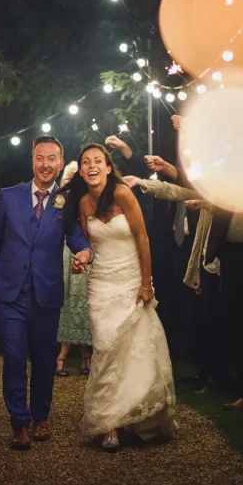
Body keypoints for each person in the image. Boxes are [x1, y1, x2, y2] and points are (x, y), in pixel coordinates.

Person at [0, 136, 92, 450]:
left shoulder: (66, 201)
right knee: (13, 358)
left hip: (46, 294)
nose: (45, 164)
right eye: (40, 158)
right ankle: (19, 424)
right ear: (32, 161)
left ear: (61, 163)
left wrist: (85, 253)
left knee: (43, 359)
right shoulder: (9, 197)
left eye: (52, 158)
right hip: (9, 293)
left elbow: (76, 238)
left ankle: (41, 417)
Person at [64, 143, 178, 451]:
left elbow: (142, 237)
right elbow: (86, 245)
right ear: (81, 169)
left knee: (134, 350)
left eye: (97, 160)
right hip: (100, 284)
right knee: (105, 347)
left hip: (130, 282)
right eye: (85, 161)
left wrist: (145, 283)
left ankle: (137, 415)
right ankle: (108, 425)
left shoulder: (123, 194)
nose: (91, 165)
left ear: (107, 167)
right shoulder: (83, 203)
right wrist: (81, 260)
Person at [55, 162, 92, 377]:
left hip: (84, 251)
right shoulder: (60, 200)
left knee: (82, 300)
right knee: (67, 300)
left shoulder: (87, 199)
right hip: (65, 253)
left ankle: (85, 353)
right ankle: (63, 355)